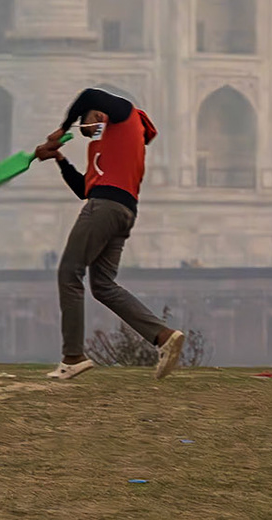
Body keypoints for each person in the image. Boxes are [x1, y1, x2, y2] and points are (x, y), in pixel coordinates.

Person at [33, 86, 187, 381]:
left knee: (69, 273)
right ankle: (163, 336)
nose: (88, 128)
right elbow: (83, 190)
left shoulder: (125, 115)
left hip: (104, 209)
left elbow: (89, 94)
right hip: (122, 212)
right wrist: (59, 159)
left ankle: (72, 356)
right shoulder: (117, 145)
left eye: (88, 123)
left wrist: (61, 128)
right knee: (102, 284)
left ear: (100, 113)